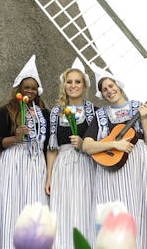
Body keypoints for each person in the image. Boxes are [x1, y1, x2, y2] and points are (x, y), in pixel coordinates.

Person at [81, 64, 147, 248]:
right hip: (110, 171)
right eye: (104, 89)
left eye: (111, 86)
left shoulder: (139, 107)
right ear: (102, 94)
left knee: (141, 207)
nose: (109, 91)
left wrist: (144, 119)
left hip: (137, 165)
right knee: (115, 211)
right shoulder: (101, 115)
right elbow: (86, 146)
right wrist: (114, 144)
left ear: (119, 86)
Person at [0, 55, 50, 249]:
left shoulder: (44, 113)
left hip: (36, 163)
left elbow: (49, 142)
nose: (30, 91)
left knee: (36, 208)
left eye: (34, 88)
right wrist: (15, 138)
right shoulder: (6, 110)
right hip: (14, 162)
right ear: (19, 89)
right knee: (12, 207)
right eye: (27, 88)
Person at [46, 59, 96, 249]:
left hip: (87, 165)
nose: (73, 85)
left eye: (77, 82)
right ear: (64, 85)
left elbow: (100, 143)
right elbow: (53, 148)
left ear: (84, 86)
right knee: (63, 212)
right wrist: (49, 176)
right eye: (69, 82)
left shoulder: (93, 111)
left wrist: (84, 144)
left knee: (85, 210)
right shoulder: (56, 113)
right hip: (63, 165)